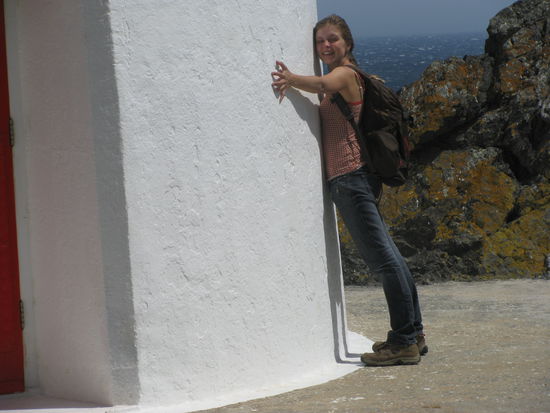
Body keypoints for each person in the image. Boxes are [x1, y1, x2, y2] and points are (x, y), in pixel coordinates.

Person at [271, 14, 427, 366]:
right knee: (391, 257)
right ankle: (413, 334)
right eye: (320, 41)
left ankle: (403, 340)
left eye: (333, 39)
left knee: (383, 260)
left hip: (350, 178)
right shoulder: (350, 76)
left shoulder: (344, 75)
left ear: (348, 43)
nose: (326, 46)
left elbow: (322, 84)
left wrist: (290, 79)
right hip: (357, 178)